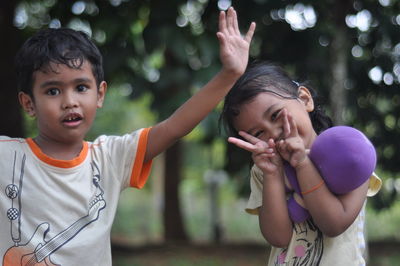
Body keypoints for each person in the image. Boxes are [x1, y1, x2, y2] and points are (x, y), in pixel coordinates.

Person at [0, 7, 255, 265]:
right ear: (28, 103)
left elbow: (174, 127)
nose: (70, 102)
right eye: (52, 91)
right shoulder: (6, 156)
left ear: (99, 94)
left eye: (80, 87)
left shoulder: (110, 157)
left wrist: (229, 75)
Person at [220, 61, 381, 265]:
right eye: (259, 133)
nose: (274, 133)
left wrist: (303, 164)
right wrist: (272, 175)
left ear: (305, 99)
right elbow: (278, 237)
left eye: (276, 115)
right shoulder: (264, 170)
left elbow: (334, 224)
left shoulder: (349, 153)